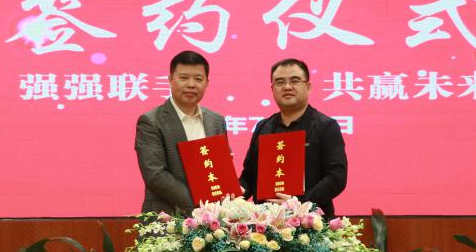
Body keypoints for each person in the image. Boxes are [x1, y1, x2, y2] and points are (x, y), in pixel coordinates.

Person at [239, 58, 348, 219]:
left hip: (311, 223)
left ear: (308, 86)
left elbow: (336, 177)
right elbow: (249, 175)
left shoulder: (326, 126)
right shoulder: (263, 127)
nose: (287, 87)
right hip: (266, 223)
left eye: (295, 81)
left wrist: (299, 204)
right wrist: (238, 191)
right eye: (280, 82)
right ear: (272, 89)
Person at [135, 50, 227, 214]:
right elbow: (155, 175)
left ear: (207, 82)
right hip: (167, 217)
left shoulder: (216, 120)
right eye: (184, 78)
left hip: (211, 219)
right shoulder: (151, 121)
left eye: (198, 79)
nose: (191, 84)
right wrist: (199, 205)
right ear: (170, 80)